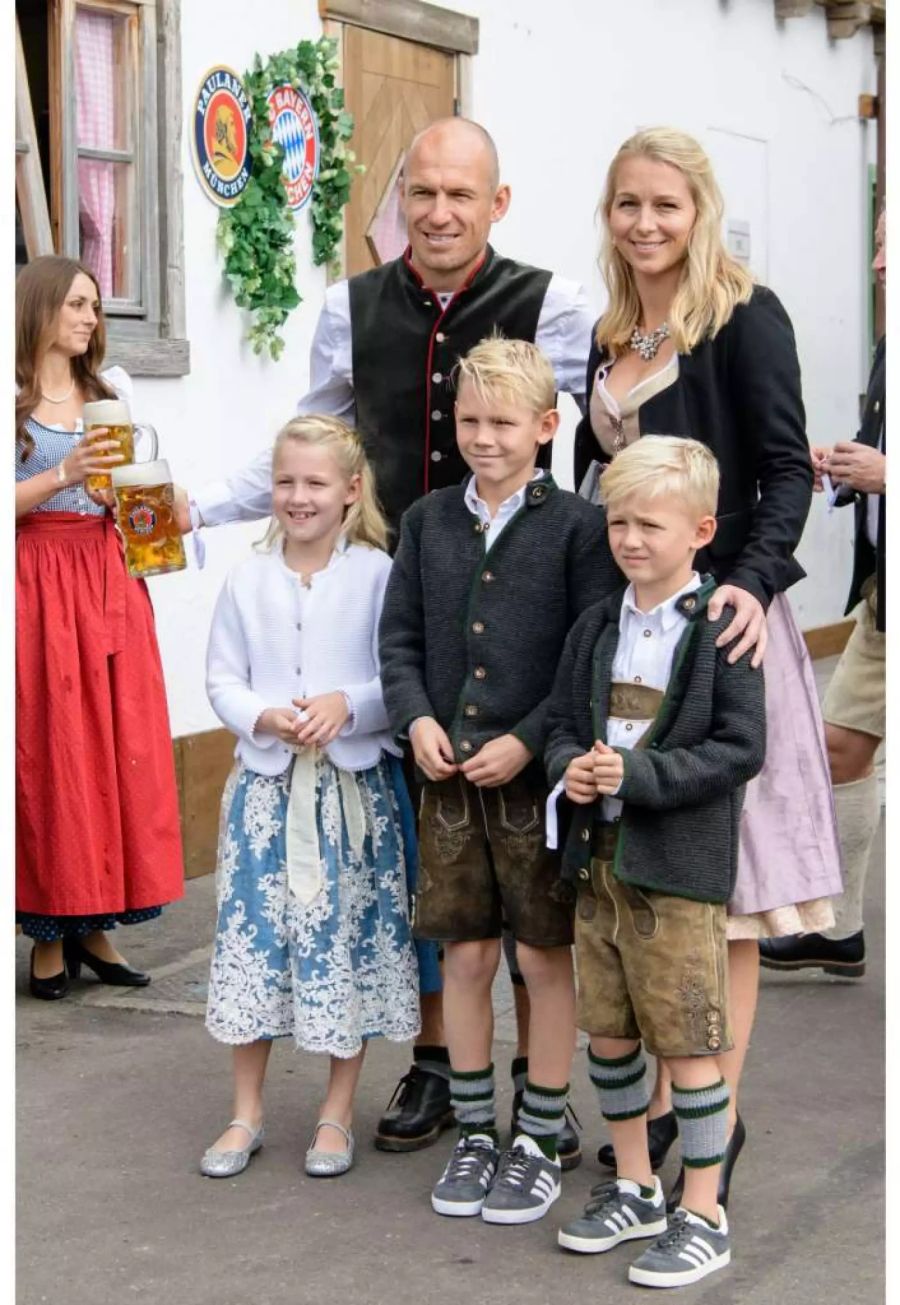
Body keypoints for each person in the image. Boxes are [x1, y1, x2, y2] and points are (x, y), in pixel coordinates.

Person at [183, 116, 595, 1164]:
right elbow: (312, 431)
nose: (441, 211)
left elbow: (596, 437)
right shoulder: (349, 308)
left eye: (463, 194)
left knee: (524, 861)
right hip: (398, 603)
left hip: (519, 606)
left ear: (497, 203)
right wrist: (200, 509)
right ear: (398, 202)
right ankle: (435, 1060)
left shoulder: (553, 303)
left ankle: (531, 1081)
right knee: (419, 852)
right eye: (423, 193)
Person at [574, 128, 841, 1207]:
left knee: (723, 895)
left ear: (702, 212)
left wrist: (754, 579)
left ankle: (716, 1125)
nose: (645, 224)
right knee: (647, 884)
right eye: (627, 205)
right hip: (633, 634)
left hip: (723, 626)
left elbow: (786, 469)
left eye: (666, 207)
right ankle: (673, 1114)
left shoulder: (742, 316)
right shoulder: (608, 330)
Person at [379, 338, 618, 1226]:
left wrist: (527, 740)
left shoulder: (579, 529)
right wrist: (418, 717)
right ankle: (476, 1129)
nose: (483, 437)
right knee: (468, 955)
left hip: (536, 783)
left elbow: (584, 653)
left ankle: (539, 1135)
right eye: (469, 420)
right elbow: (399, 636)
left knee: (544, 957)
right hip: (448, 782)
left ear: (547, 427)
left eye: (503, 422)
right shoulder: (427, 520)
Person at [547, 437, 765, 1288]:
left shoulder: (722, 630)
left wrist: (640, 775)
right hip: (598, 865)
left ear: (701, 529)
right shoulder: (597, 625)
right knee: (610, 1030)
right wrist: (567, 764)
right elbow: (565, 723)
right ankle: (636, 1184)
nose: (630, 539)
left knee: (687, 1041)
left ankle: (704, 1208)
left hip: (677, 873)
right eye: (618, 521)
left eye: (650, 524)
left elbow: (742, 748)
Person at [200, 415, 420, 1180]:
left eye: (316, 483)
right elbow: (222, 676)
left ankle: (335, 1110)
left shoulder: (376, 574)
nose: (299, 497)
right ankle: (246, 1109)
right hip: (265, 801)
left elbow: (398, 675)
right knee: (258, 943)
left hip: (349, 798)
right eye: (286, 482)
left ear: (351, 490)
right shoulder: (247, 577)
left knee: (342, 942)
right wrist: (260, 713)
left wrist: (348, 704)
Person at [15, 255, 184, 999]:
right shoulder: (10, 398)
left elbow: (129, 494)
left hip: (107, 577)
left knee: (113, 750)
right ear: (42, 309)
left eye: (95, 306)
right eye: (77, 305)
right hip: (37, 584)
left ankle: (95, 927)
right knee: (54, 753)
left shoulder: (111, 392)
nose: (90, 318)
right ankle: (50, 932)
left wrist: (154, 512)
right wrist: (63, 471)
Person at [760, 208, 886, 979]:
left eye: (891, 250)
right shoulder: (888, 342)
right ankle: (838, 927)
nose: (878, 265)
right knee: (840, 747)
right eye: (877, 246)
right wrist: (846, 468)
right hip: (884, 597)